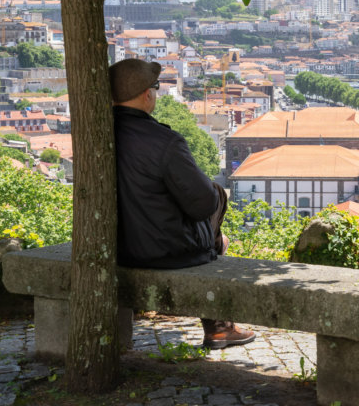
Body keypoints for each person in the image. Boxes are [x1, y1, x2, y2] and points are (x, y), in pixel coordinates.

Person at [109, 58, 255, 349]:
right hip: (163, 252)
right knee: (217, 197)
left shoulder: (100, 134)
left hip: (115, 248)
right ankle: (219, 327)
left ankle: (220, 325)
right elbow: (203, 204)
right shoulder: (164, 142)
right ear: (147, 94)